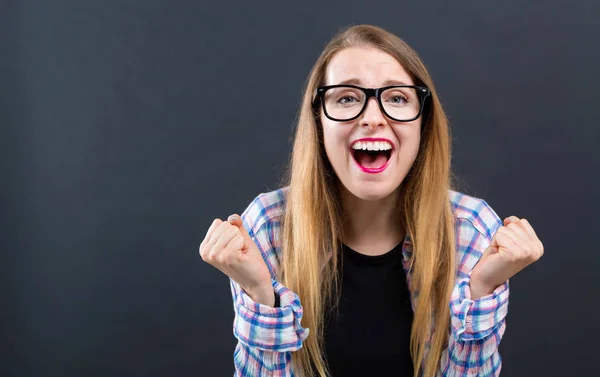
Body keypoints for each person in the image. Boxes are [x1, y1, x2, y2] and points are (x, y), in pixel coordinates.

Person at [199, 24, 544, 377]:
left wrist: (482, 290)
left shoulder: (470, 231)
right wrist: (260, 295)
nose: (372, 118)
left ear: (423, 123)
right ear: (318, 121)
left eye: (397, 98)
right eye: (347, 98)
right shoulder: (268, 226)